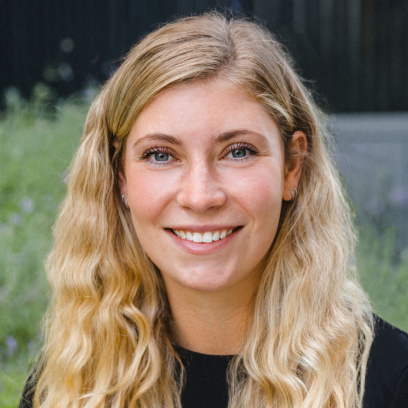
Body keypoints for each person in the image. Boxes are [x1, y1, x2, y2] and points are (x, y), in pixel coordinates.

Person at [19, 12, 408, 408]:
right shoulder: (69, 384)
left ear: (292, 167)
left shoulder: (391, 381)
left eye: (238, 152)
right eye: (160, 155)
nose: (201, 196)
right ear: (120, 177)